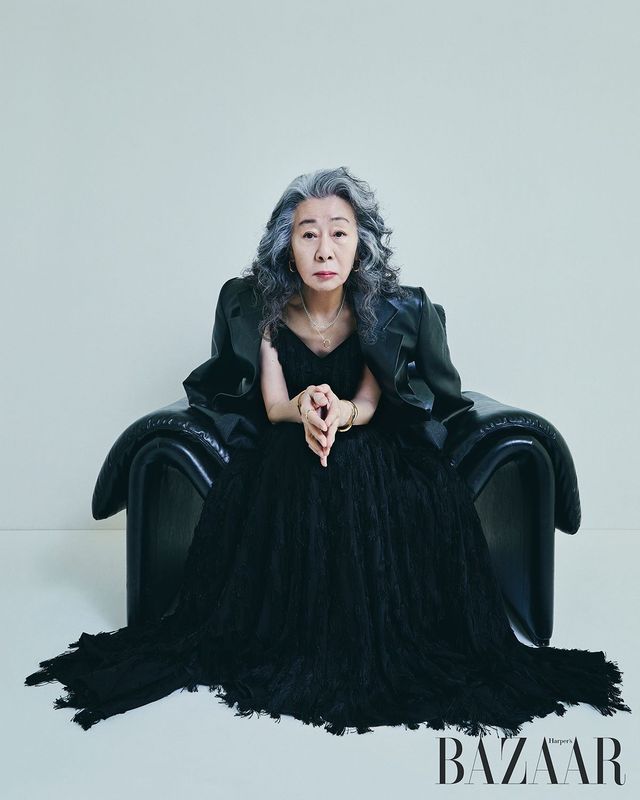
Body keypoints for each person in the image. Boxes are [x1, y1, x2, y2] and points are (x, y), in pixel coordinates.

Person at [25, 166, 631, 737]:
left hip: (368, 439)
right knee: (301, 469)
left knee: (353, 467)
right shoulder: (264, 313)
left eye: (339, 233)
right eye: (308, 234)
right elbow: (271, 406)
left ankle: (368, 637)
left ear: (360, 243)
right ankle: (300, 636)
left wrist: (340, 412)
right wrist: (307, 406)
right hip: (288, 441)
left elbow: (369, 400)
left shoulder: (383, 313)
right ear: (285, 247)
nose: (323, 250)